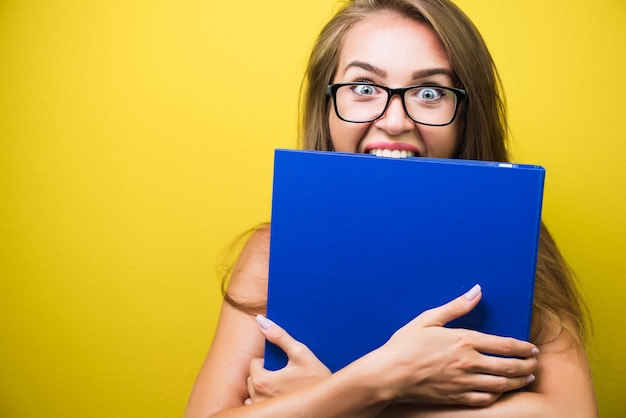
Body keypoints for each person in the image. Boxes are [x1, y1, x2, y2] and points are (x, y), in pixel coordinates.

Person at [185, 0, 598, 416]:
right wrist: (381, 379)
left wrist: (340, 398)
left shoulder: (520, 240)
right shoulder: (269, 252)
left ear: (466, 115)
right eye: (364, 88)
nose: (396, 120)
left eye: (430, 92)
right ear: (326, 104)